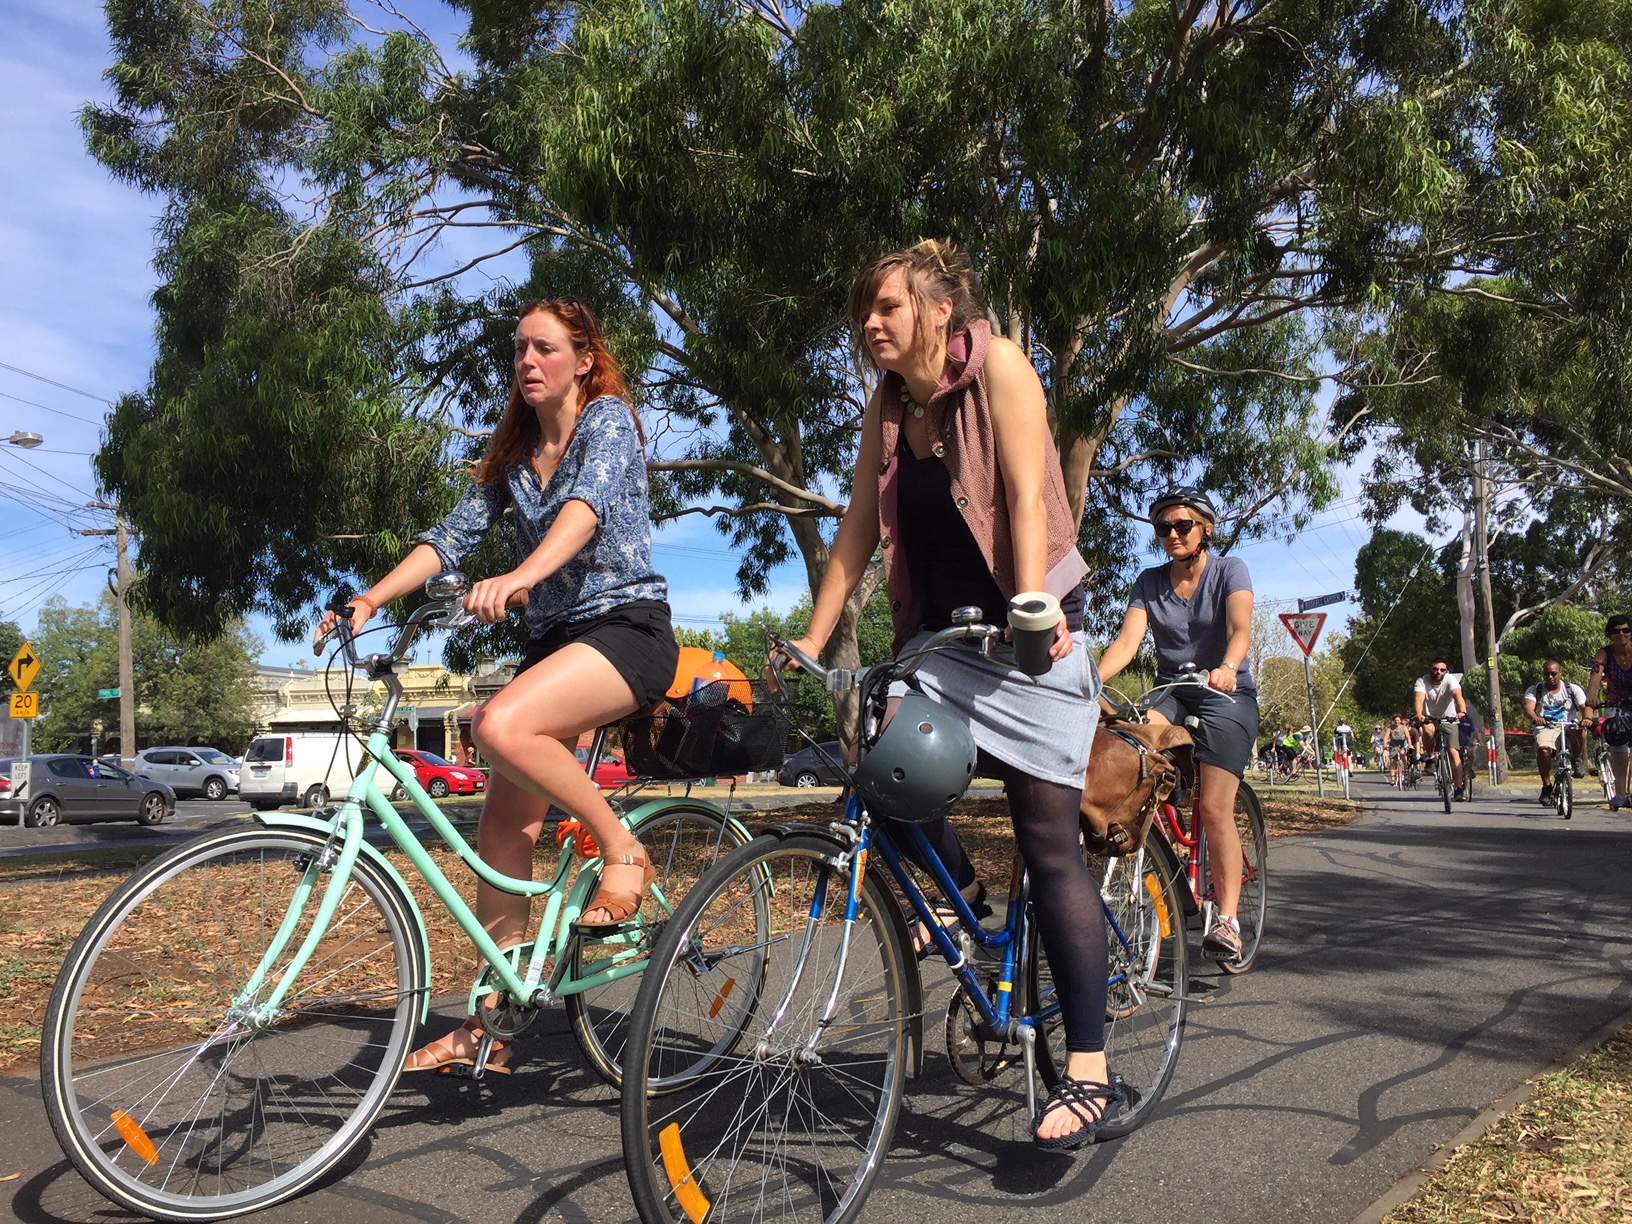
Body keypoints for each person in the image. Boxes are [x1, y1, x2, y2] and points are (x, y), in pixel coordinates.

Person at [780, 239, 1116, 1150]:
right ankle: (960, 887)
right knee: (876, 765)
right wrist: (812, 639)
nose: (870, 324)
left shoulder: (999, 363)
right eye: (864, 313)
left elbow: (1024, 494)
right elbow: (857, 524)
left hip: (1029, 627)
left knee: (1049, 848)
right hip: (940, 635)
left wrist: (1034, 607)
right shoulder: (887, 406)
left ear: (936, 310)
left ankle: (1087, 1066)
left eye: (886, 307)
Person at [315, 297, 679, 1074]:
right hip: (556, 644)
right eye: (518, 349)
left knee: (500, 726)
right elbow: (448, 540)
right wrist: (372, 598)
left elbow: (582, 514)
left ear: (582, 359)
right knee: (502, 833)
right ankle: (492, 1025)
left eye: (543, 348)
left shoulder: (607, 421)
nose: (526, 361)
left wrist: (518, 576)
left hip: (626, 631)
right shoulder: (513, 459)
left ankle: (624, 851)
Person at [1098, 487, 1258, 965]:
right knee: (1130, 749)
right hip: (1172, 691)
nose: (1171, 534)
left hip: (1225, 692)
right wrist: (1089, 679)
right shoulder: (1148, 582)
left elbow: (1241, 628)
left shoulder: (1230, 570)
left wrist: (1229, 665)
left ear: (1205, 529)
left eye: (1182, 525)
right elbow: (1128, 642)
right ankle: (1157, 860)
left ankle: (1227, 920)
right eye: (1163, 528)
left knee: (1213, 806)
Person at [1585, 613, 1632, 811]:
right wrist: (1591, 700)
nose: (1621, 634)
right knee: (1618, 747)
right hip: (1616, 703)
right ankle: (1620, 794)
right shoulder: (1604, 653)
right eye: (1615, 631)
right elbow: (1595, 677)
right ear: (1609, 634)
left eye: (1625, 630)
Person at [1523, 661, 1586, 805]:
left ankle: (1576, 759)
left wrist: (1587, 718)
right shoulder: (1536, 690)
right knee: (1544, 751)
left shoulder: (1572, 689)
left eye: (1553, 673)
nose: (1550, 677)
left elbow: (1585, 707)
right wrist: (1536, 718)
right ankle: (1546, 786)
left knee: (1579, 730)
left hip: (1568, 725)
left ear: (1561, 673)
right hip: (1547, 727)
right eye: (1546, 674)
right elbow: (1529, 707)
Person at [1413, 660, 1469, 800]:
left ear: (1446, 671)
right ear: (1430, 669)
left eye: (1442, 670)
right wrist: (1419, 715)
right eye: (1435, 669)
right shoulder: (1422, 681)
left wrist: (1462, 711)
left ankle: (1458, 788)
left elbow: (1458, 696)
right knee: (1427, 730)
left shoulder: (1451, 680)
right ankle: (1431, 757)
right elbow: (1419, 700)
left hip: (1448, 718)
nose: (1438, 672)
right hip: (1430, 718)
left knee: (1453, 752)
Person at [1387, 715, 1412, 786]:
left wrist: (1409, 744)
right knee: (1393, 762)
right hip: (1393, 745)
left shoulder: (1404, 728)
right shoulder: (1390, 728)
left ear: (1400, 721)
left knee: (1403, 754)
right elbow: (1386, 736)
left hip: (1402, 745)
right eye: (1395, 720)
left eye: (1398, 720)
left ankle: (1405, 769)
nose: (1396, 722)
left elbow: (1407, 737)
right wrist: (1385, 744)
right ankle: (1393, 779)